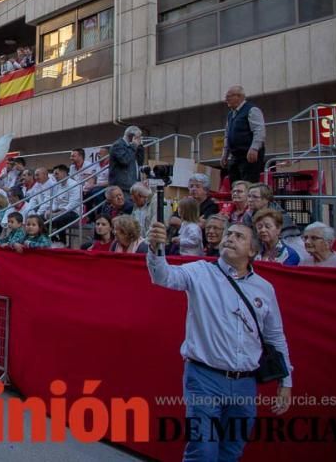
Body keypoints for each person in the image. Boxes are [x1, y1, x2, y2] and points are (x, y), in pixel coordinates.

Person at [146, 221, 291, 460]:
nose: (230, 238)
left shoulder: (264, 288)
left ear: (253, 250)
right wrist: (155, 247)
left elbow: (275, 336)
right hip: (204, 377)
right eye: (229, 234)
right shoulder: (200, 271)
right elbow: (164, 276)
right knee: (202, 450)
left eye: (239, 236)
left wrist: (286, 381)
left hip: (245, 382)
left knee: (231, 451)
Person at [221, 85, 266, 185]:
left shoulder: (252, 110)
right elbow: (227, 135)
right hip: (236, 155)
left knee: (248, 183)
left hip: (248, 154)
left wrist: (254, 148)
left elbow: (259, 130)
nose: (226, 99)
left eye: (229, 96)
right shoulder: (230, 114)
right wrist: (225, 154)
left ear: (239, 96)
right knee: (235, 183)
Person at [43, 164, 80, 244]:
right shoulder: (57, 185)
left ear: (64, 173)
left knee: (59, 219)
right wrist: (51, 211)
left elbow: (73, 204)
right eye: (54, 174)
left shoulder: (74, 184)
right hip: (59, 210)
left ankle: (62, 242)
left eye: (57, 174)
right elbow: (55, 202)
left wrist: (57, 213)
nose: (55, 176)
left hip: (73, 212)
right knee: (41, 218)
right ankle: (53, 240)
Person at [108, 125, 144, 191]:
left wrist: (140, 147)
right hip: (122, 187)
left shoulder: (133, 147)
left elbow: (140, 162)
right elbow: (125, 160)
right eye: (138, 137)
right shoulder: (118, 145)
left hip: (133, 185)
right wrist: (133, 146)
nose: (139, 139)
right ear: (132, 137)